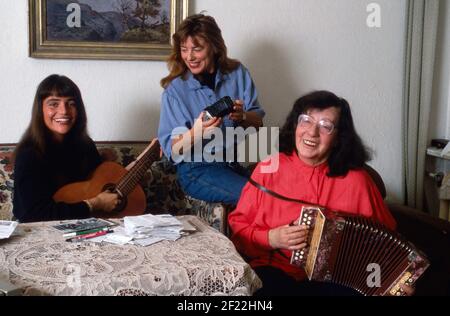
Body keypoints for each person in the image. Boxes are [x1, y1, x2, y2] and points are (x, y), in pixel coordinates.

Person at [228, 90, 400, 296]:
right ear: (295, 125)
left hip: (338, 278)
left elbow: (387, 244)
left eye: (325, 126)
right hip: (276, 270)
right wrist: (271, 238)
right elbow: (238, 229)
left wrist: (396, 280)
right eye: (306, 121)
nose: (312, 132)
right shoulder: (268, 168)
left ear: (338, 138)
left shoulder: (358, 181)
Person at [158, 14, 265, 205]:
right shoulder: (174, 90)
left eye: (197, 49)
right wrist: (197, 131)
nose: (189, 57)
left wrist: (243, 116)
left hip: (232, 164)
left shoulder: (237, 73)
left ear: (214, 47)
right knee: (255, 198)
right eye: (184, 50)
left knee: (277, 193)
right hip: (196, 169)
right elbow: (171, 149)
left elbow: (258, 122)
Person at [13, 74, 120, 223]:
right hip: (43, 234)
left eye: (71, 103)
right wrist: (94, 204)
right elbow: (30, 214)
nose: (64, 111)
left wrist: (138, 165)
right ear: (40, 109)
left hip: (86, 228)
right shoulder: (29, 154)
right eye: (54, 104)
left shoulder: (85, 145)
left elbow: (100, 185)